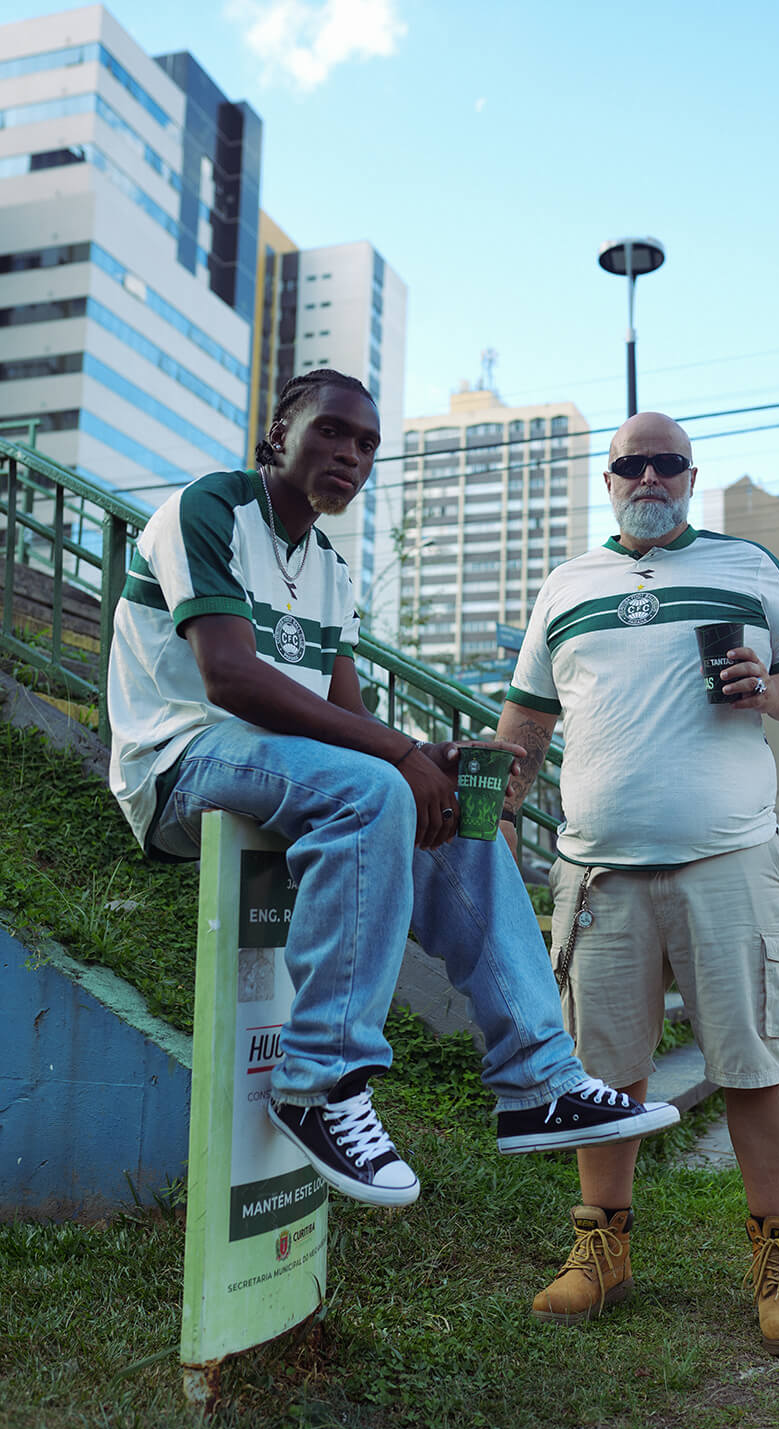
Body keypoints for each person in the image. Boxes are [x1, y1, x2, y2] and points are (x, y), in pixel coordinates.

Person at [107, 369, 681, 1211]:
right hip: (178, 759)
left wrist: (433, 764)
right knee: (378, 790)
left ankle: (538, 1082)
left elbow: (345, 716)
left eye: (367, 444)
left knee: (457, 818)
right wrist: (399, 755)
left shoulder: (330, 568)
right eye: (331, 432)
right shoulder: (208, 508)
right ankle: (320, 1084)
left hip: (279, 767)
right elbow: (228, 677)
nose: (350, 454)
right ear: (279, 434)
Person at [495, 411, 779, 1354]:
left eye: (667, 465)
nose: (649, 478)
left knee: (755, 1063)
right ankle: (600, 1248)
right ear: (606, 479)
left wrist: (768, 690)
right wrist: (496, 795)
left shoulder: (743, 567)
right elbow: (526, 717)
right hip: (596, 865)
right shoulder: (567, 584)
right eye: (630, 465)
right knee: (601, 1070)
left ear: (689, 475)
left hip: (726, 857)